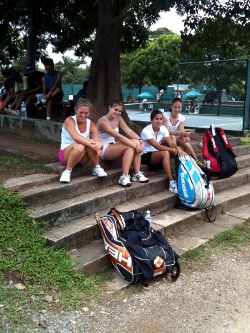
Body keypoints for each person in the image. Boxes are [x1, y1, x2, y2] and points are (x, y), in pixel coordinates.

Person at [97, 100, 148, 187]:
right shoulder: (102, 122)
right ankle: (124, 176)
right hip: (103, 149)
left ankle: (136, 173)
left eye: (120, 111)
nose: (118, 112)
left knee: (136, 142)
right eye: (115, 110)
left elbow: (129, 131)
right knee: (130, 147)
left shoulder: (118, 119)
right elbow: (119, 136)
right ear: (109, 107)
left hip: (113, 145)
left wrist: (140, 141)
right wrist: (136, 146)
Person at [58, 98, 107, 183]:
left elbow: (99, 142)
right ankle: (67, 171)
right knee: (80, 145)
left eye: (86, 113)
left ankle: (96, 167)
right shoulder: (69, 120)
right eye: (81, 112)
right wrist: (93, 144)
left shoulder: (91, 124)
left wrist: (99, 146)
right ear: (75, 110)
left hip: (81, 157)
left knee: (90, 143)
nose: (83, 115)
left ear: (89, 112)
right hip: (66, 153)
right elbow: (76, 137)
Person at [141, 109, 186, 193]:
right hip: (146, 155)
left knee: (178, 152)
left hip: (157, 153)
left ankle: (182, 177)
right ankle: (172, 183)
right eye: (156, 119)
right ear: (151, 120)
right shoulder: (146, 131)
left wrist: (177, 148)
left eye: (161, 119)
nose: (159, 121)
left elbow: (170, 143)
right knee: (166, 153)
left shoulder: (163, 128)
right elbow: (157, 146)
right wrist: (174, 149)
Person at [162, 97, 203, 166]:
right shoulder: (165, 116)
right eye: (175, 107)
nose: (177, 109)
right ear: (171, 107)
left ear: (181, 108)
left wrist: (185, 136)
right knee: (172, 137)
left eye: (179, 107)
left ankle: (195, 161)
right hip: (162, 139)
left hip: (173, 138)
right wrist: (180, 133)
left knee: (185, 142)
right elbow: (165, 132)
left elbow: (182, 130)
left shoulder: (182, 118)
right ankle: (177, 162)